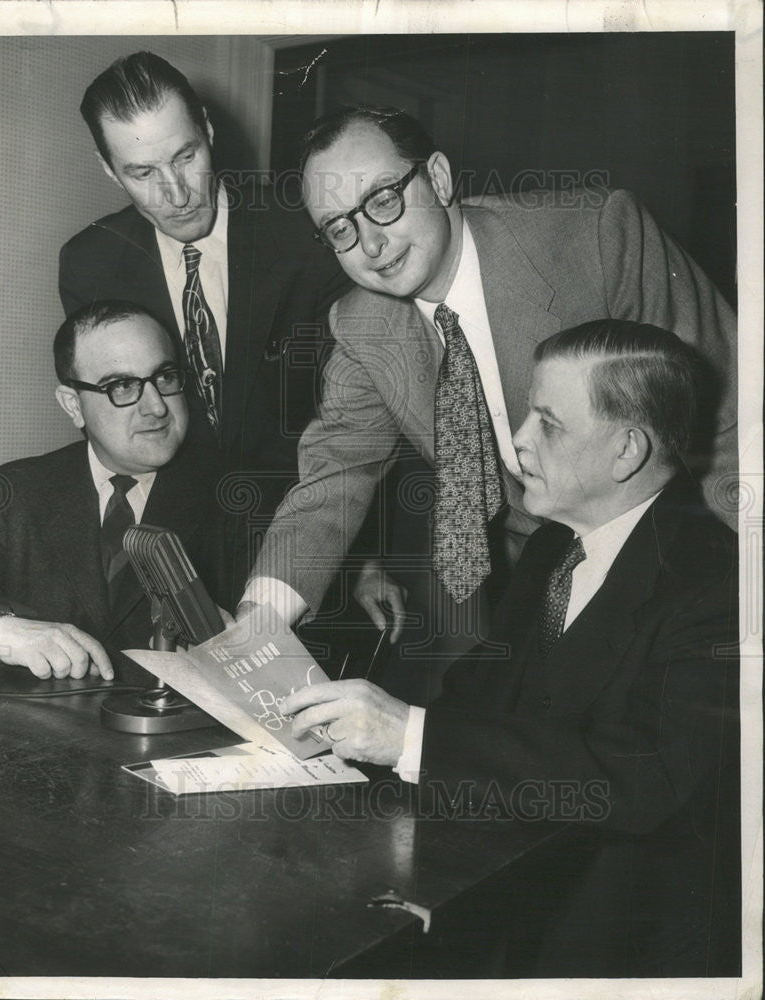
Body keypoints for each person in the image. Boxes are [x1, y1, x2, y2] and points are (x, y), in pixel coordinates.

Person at [282, 320, 740, 977]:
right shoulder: (556, 543)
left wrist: (409, 737)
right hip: (512, 897)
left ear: (626, 452)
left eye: (548, 423)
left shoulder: (717, 585)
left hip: (624, 950)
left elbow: (646, 781)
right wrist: (356, 762)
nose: (518, 439)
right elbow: (476, 703)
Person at [243, 106, 738, 699]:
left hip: (676, 550)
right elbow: (332, 478)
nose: (370, 243)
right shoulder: (361, 323)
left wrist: (746, 587)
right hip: (537, 569)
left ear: (441, 178)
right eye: (339, 229)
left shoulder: (598, 237)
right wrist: (259, 625)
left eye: (382, 200)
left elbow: (732, 415)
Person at [59, 51, 349, 520]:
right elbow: (110, 422)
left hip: (305, 521)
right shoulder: (88, 264)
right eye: (143, 172)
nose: (177, 194)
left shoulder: (305, 232)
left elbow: (358, 416)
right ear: (110, 170)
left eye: (185, 156)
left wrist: (366, 560)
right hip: (171, 530)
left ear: (209, 133)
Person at [0, 301, 238, 680]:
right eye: (122, 386)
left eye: (166, 378)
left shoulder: (240, 496)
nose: (156, 407)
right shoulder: (11, 492)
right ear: (74, 405)